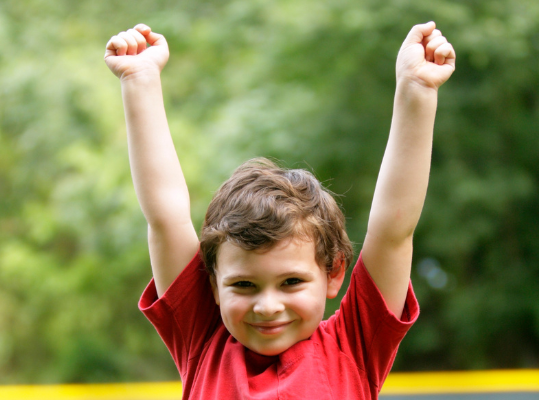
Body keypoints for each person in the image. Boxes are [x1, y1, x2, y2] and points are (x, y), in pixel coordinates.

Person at [104, 21, 455, 399]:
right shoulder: (202, 340)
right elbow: (165, 217)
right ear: (213, 284)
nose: (267, 306)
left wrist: (417, 90)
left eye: (291, 282)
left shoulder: (354, 345)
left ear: (333, 273)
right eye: (243, 284)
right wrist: (139, 81)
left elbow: (393, 230)